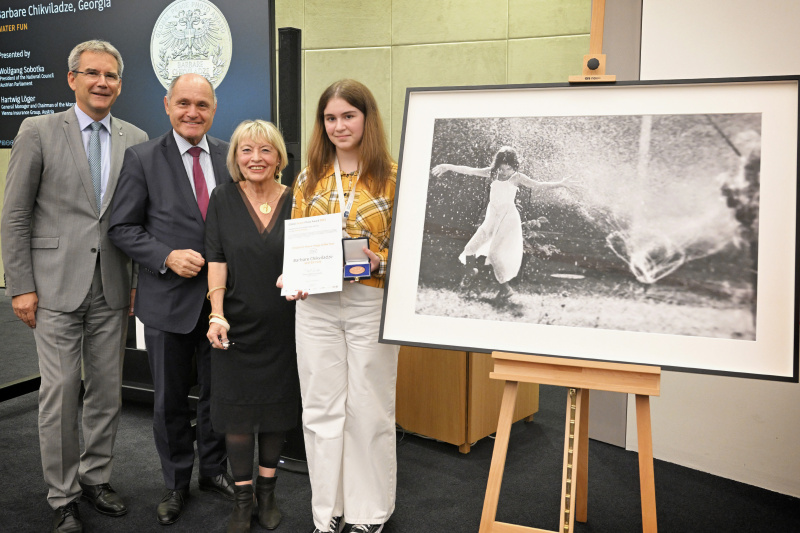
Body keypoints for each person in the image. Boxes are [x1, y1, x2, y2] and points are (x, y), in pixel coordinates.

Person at [0, 40, 147, 533]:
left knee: (106, 392)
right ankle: (62, 496)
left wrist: (135, 282)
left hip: (112, 287)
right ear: (72, 79)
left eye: (110, 75)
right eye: (91, 73)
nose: (101, 82)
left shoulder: (135, 137)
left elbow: (135, 220)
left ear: (120, 84)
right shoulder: (38, 130)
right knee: (61, 392)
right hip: (53, 287)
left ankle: (95, 478)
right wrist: (19, 284)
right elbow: (16, 214)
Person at [108, 73, 233, 526]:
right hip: (166, 304)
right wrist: (165, 256)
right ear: (167, 105)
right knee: (170, 402)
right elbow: (121, 228)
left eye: (202, 104)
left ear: (213, 108)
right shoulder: (141, 158)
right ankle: (176, 481)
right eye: (183, 103)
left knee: (219, 397)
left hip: (222, 306)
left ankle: (214, 471)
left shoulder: (230, 155)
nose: (192, 112)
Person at [278, 79, 399, 533]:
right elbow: (298, 239)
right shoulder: (309, 175)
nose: (338, 125)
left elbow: (412, 251)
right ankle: (327, 513)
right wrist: (291, 272)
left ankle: (369, 514)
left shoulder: (391, 173)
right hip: (316, 307)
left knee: (369, 408)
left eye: (348, 115)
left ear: (366, 118)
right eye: (330, 117)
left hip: (371, 301)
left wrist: (380, 259)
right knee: (320, 409)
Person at [204, 120, 300, 533]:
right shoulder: (222, 198)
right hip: (234, 329)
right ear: (235, 158)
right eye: (246, 150)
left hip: (286, 328)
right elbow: (216, 260)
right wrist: (216, 313)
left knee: (277, 414)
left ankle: (268, 494)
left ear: (279, 157)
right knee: (238, 418)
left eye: (265, 150)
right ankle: (242, 502)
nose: (255, 158)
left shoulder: (298, 201)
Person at [432, 146, 577, 299]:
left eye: (509, 166)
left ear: (514, 165)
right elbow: (469, 170)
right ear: (498, 163)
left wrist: (560, 183)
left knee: (494, 254)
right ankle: (470, 273)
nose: (505, 170)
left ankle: (505, 289)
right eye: (503, 165)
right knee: (469, 248)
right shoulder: (492, 172)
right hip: (492, 218)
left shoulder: (517, 177)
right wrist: (447, 166)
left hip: (508, 218)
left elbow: (538, 185)